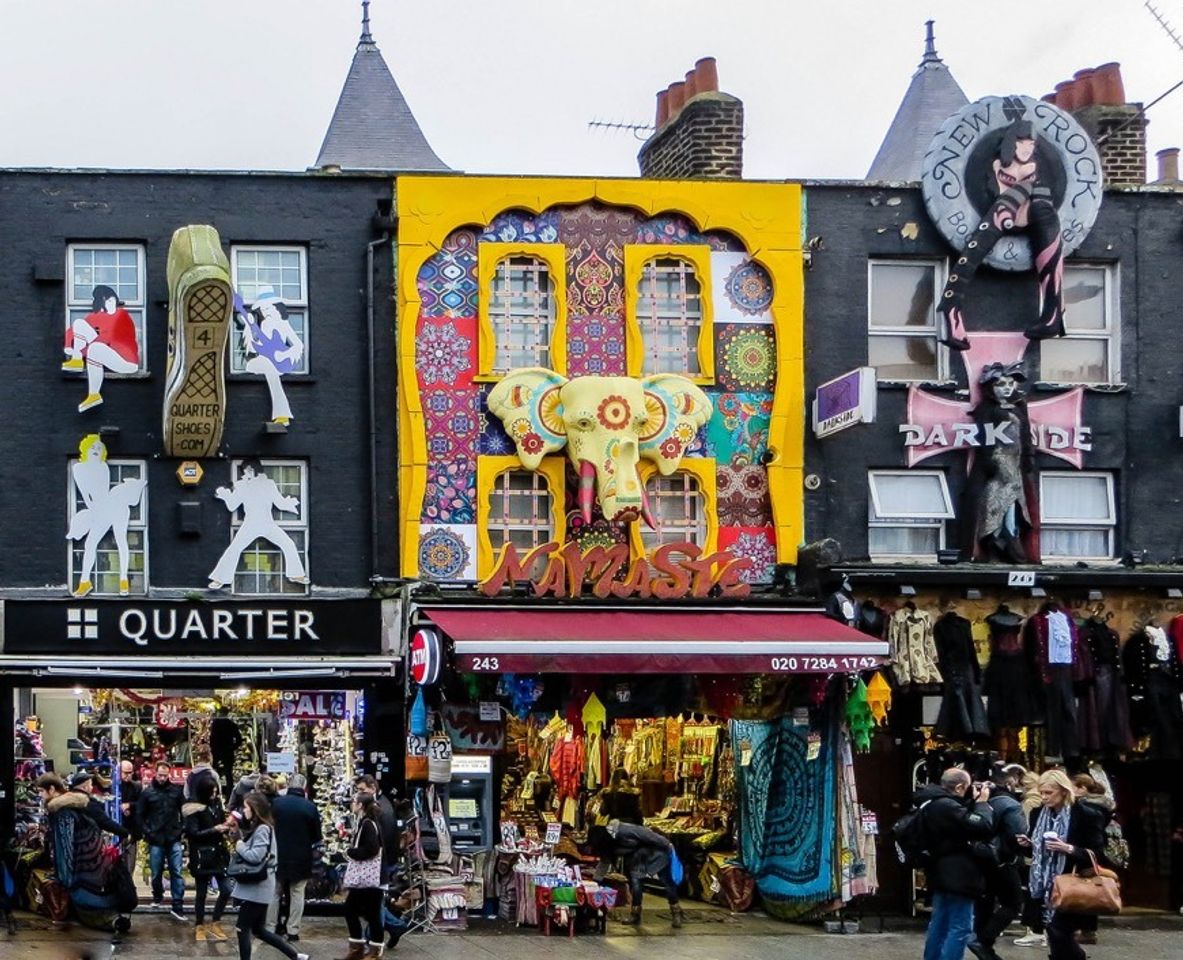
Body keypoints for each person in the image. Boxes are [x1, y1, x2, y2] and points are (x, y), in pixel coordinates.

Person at [1017, 769, 1106, 960]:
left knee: (1059, 931)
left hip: (1072, 883)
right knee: (1055, 933)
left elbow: (1098, 853)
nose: (1044, 797)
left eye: (1049, 793)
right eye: (1041, 792)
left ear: (1064, 791)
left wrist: (1069, 849)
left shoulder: (1086, 814)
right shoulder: (1037, 813)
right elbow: (1035, 851)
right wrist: (1028, 844)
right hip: (1042, 884)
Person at [913, 769, 995, 960]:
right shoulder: (946, 806)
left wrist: (971, 802)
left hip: (939, 870)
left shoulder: (930, 802)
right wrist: (982, 803)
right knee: (960, 926)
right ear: (959, 787)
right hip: (959, 874)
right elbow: (983, 825)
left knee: (939, 923)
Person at [37, 773, 133, 934]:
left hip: (83, 872)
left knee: (85, 907)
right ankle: (114, 920)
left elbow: (65, 847)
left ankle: (113, 922)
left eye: (41, 791)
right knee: (91, 905)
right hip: (95, 869)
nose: (39, 795)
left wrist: (64, 879)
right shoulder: (77, 805)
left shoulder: (62, 812)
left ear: (51, 789)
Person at [66, 433, 147, 597]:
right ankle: (85, 582)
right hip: (101, 509)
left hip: (114, 507)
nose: (96, 450)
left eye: (99, 448)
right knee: (90, 544)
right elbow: (86, 496)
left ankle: (123, 581)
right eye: (93, 447)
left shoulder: (103, 467)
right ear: (86, 449)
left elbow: (102, 491)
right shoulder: (78, 468)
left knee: (120, 541)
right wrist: (94, 512)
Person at [208, 459, 309, 590]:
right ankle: (220, 579)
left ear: (256, 469)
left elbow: (279, 502)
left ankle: (296, 575)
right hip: (250, 524)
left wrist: (290, 503)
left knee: (288, 544)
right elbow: (232, 506)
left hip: (268, 523)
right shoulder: (242, 485)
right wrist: (225, 495)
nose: (247, 473)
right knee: (234, 549)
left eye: (249, 469)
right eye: (245, 471)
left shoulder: (269, 484)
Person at [233, 791, 307, 960]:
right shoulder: (263, 828)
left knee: (242, 928)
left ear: (254, 809)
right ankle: (295, 956)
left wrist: (239, 845)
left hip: (257, 887)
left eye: (246, 807)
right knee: (259, 930)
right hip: (261, 886)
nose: (244, 810)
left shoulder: (262, 829)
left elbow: (255, 856)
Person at [969, 767, 1028, 960]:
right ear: (1009, 783)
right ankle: (984, 941)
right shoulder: (1011, 804)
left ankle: (983, 946)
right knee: (1012, 903)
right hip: (1003, 859)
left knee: (985, 902)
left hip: (981, 857)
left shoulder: (979, 802)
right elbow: (1016, 833)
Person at [588, 818, 685, 928]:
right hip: (637, 860)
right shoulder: (608, 845)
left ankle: (676, 912)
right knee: (636, 884)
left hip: (656, 853)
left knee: (667, 882)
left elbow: (647, 834)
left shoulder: (624, 830)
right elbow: (605, 861)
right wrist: (595, 882)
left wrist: (667, 844)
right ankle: (635, 914)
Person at [62, 283, 141, 412]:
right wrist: (69, 347)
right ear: (101, 303)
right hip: (106, 354)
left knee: (95, 348)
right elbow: (73, 330)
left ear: (115, 299)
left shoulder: (122, 316)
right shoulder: (97, 317)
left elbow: (111, 339)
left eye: (112, 299)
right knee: (80, 324)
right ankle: (93, 393)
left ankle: (79, 361)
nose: (110, 303)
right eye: (106, 300)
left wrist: (82, 349)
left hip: (126, 361)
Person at [235, 288, 304, 425]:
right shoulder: (264, 325)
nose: (265, 312)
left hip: (281, 363)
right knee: (258, 365)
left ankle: (282, 415)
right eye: (263, 309)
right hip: (266, 362)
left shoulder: (284, 325)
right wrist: (249, 327)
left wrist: (284, 354)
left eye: (268, 308)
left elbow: (298, 345)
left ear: (276, 307)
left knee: (269, 368)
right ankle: (282, 414)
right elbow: (256, 347)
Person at [354, 774, 406, 949]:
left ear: (372, 788)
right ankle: (389, 929)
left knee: (373, 903)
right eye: (358, 790)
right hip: (382, 861)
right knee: (373, 902)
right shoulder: (381, 805)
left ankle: (379, 934)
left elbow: (379, 840)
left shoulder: (380, 808)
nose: (359, 794)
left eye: (362, 790)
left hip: (380, 863)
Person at [268, 773, 322, 943]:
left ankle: (270, 927)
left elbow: (267, 826)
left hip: (278, 855)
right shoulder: (309, 807)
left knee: (274, 893)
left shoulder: (276, 804)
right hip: (301, 857)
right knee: (297, 893)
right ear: (304, 787)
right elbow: (316, 836)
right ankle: (293, 930)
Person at [184, 770, 233, 942]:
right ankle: (199, 924)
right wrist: (214, 829)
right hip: (203, 855)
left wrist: (226, 827)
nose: (214, 795)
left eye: (215, 792)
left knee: (226, 889)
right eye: (211, 792)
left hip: (218, 853)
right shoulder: (193, 808)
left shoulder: (216, 805)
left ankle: (216, 920)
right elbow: (192, 832)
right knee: (201, 893)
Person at [337, 792, 387, 960]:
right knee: (368, 913)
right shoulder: (368, 822)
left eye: (354, 801)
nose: (351, 803)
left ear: (360, 805)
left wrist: (350, 852)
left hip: (370, 878)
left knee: (357, 911)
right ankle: (365, 949)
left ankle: (365, 950)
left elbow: (371, 849)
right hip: (372, 878)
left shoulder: (367, 823)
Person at [136, 760, 186, 920]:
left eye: (165, 775)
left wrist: (181, 829)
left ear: (169, 774)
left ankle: (177, 903)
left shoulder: (176, 791)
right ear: (155, 774)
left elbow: (184, 811)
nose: (163, 778)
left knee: (176, 871)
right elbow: (140, 815)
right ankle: (158, 895)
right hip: (156, 837)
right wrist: (148, 832)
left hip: (172, 836)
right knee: (156, 872)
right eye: (160, 775)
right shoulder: (148, 793)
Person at [1071, 775, 1116, 947]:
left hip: (1087, 851)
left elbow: (1092, 834)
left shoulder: (1088, 808)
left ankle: (1087, 930)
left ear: (1082, 788)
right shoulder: (1102, 805)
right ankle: (1087, 929)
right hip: (1094, 851)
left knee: (1085, 890)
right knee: (1089, 889)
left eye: (1073, 786)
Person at [117, 760, 143, 878]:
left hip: (131, 829)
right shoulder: (114, 786)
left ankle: (128, 884)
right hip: (117, 828)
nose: (128, 775)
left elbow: (142, 804)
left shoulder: (136, 786)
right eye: (125, 772)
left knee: (130, 862)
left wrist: (130, 806)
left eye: (130, 772)